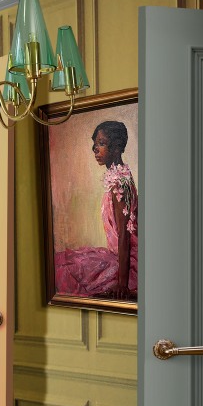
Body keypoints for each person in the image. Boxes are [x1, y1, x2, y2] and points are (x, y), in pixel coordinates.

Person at [54, 120, 138, 300]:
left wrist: (122, 283)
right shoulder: (117, 176)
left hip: (127, 264)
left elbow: (124, 235)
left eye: (101, 143)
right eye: (94, 144)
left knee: (67, 267)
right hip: (117, 256)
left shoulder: (120, 183)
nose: (95, 149)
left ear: (116, 148)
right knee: (63, 260)